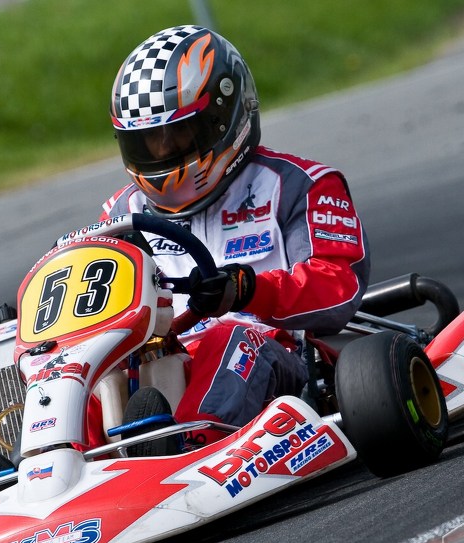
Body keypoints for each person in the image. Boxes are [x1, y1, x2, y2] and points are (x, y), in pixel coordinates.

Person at [102, 25, 370, 435]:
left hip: (275, 356)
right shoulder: (124, 213)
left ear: (223, 117)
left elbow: (339, 287)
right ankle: (50, 460)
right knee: (94, 375)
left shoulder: (299, 185)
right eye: (149, 141)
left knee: (228, 338)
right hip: (162, 365)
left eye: (178, 133)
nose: (163, 149)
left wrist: (249, 290)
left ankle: (193, 443)